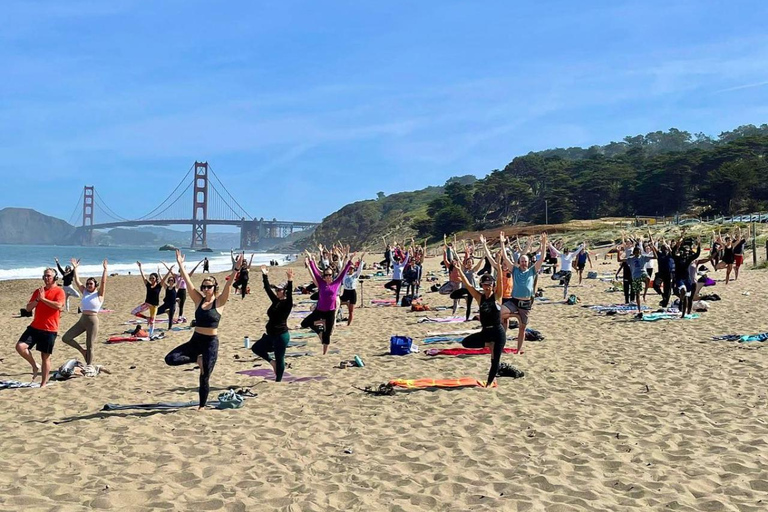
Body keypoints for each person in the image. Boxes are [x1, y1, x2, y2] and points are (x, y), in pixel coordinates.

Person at [165, 249, 241, 409]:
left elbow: (228, 285)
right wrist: (181, 265)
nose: (205, 289)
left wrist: (236, 270)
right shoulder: (198, 299)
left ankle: (201, 406)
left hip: (210, 344)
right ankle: (197, 359)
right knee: (170, 359)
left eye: (209, 286)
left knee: (204, 376)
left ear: (214, 287)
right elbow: (188, 283)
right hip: (196, 340)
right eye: (204, 286)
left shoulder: (219, 302)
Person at [16, 267, 66, 386]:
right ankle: (34, 365)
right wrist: (38, 299)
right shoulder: (39, 291)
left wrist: (44, 299)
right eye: (44, 276)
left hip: (50, 329)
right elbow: (28, 308)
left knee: (45, 357)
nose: (46, 278)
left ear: (55, 277)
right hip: (35, 326)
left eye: (48, 276)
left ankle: (43, 384)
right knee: (20, 347)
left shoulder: (59, 291)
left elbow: (59, 306)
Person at [455, 269, 505, 388]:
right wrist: (459, 271)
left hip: (498, 333)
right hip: (486, 332)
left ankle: (488, 383)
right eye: (484, 285)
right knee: (465, 342)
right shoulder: (479, 297)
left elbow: (500, 281)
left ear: (492, 286)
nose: (486, 287)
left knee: (495, 361)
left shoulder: (497, 296)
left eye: (489, 285)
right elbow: (468, 285)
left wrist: (498, 265)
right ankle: (488, 344)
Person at [499, 232, 546, 353]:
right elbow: (505, 257)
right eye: (522, 261)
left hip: (526, 305)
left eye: (525, 261)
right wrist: (502, 243)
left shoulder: (532, 270)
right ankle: (515, 316)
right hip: (514, 301)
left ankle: (518, 350)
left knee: (522, 329)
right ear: (519, 262)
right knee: (500, 313)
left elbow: (542, 258)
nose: (524, 263)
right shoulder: (514, 270)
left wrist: (544, 244)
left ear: (528, 262)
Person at [301, 251, 353, 355]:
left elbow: (343, 272)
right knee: (304, 323)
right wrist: (311, 260)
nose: (328, 276)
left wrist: (349, 261)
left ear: (332, 275)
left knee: (327, 334)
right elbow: (315, 272)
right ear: (324, 276)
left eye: (330, 275)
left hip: (330, 312)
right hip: (319, 310)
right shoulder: (321, 283)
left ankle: (324, 353)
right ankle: (319, 331)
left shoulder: (336, 283)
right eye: (326, 275)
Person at [251, 267, 294, 381]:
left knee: (280, 358)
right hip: (271, 336)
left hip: (281, 336)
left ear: (284, 291)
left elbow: (290, 294)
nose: (277, 292)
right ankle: (272, 362)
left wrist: (290, 280)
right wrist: (264, 275)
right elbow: (267, 289)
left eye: (279, 290)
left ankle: (278, 381)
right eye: (277, 290)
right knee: (256, 348)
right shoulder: (276, 301)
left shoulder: (287, 303)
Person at [61, 258, 108, 365]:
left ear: (95, 285)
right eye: (87, 284)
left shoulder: (99, 294)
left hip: (92, 321)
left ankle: (89, 366)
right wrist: (75, 268)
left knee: (90, 345)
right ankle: (82, 351)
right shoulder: (85, 292)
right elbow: (77, 281)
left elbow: (104, 282)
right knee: (66, 338)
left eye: (91, 284)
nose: (88, 285)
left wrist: (105, 269)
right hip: (82, 320)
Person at [672, 234, 701, 319]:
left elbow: (697, 254)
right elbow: (673, 252)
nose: (687, 253)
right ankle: (681, 305)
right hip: (679, 278)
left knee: (688, 297)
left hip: (687, 279)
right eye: (685, 251)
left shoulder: (688, 259)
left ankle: (685, 314)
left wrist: (699, 244)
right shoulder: (677, 259)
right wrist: (678, 244)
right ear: (682, 252)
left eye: (688, 252)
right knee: (684, 292)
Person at [131, 261, 162, 337]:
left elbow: (164, 279)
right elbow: (143, 276)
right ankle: (147, 318)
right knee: (134, 312)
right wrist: (140, 267)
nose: (151, 279)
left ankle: (151, 334)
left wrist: (169, 271)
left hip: (154, 306)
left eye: (153, 278)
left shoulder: (159, 286)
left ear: (156, 279)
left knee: (152, 321)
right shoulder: (148, 285)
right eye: (150, 278)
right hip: (147, 304)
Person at [341, 253, 365, 325]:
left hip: (352, 293)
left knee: (351, 311)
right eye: (349, 268)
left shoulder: (355, 275)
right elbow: (343, 266)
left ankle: (349, 324)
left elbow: (360, 269)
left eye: (352, 269)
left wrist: (361, 260)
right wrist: (348, 258)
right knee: (337, 303)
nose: (350, 270)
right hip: (346, 292)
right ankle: (346, 303)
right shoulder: (344, 275)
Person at [157, 266, 179, 331]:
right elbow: (162, 279)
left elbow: (180, 279)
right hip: (166, 303)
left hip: (172, 304)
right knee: (157, 312)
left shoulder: (176, 288)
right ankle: (167, 311)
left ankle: (169, 328)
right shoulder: (166, 287)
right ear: (168, 281)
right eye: (169, 280)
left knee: (171, 317)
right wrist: (159, 272)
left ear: (174, 281)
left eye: (172, 280)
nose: (171, 281)